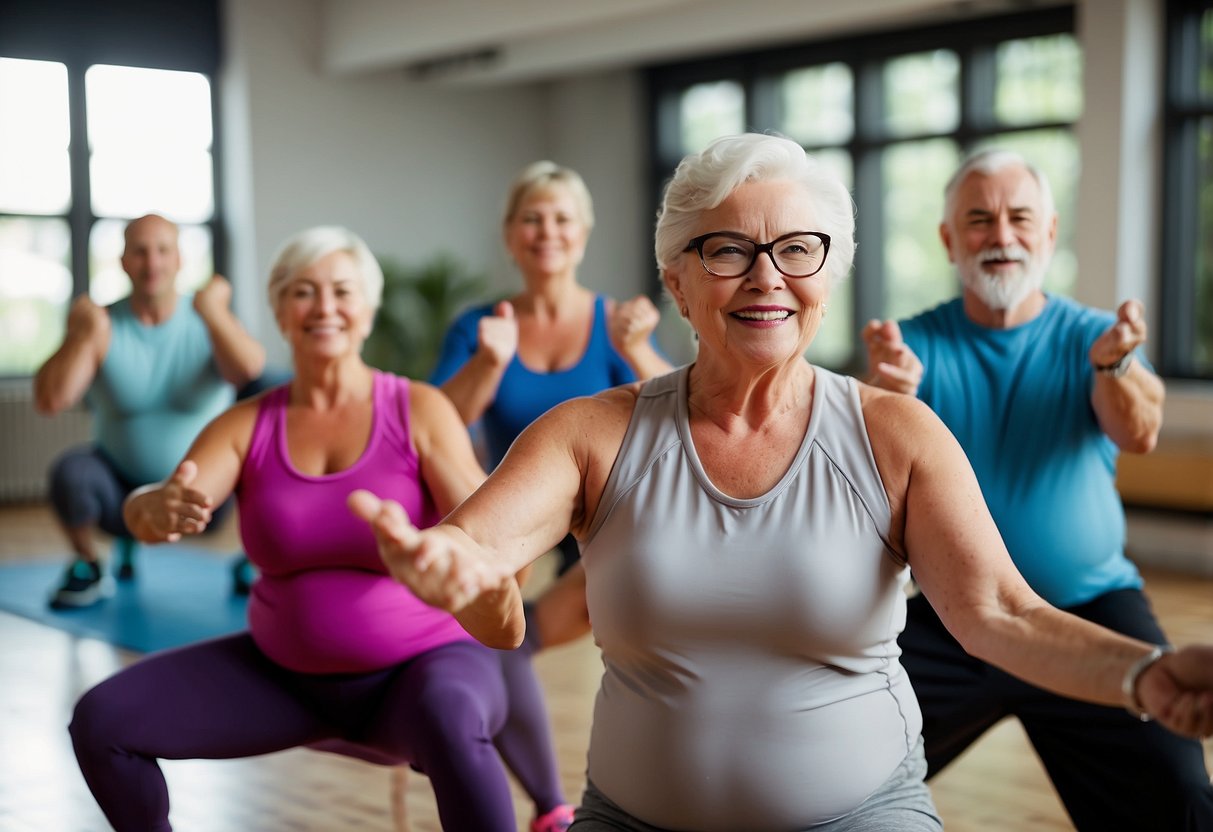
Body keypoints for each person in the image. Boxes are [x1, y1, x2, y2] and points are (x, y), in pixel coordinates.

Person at [351, 133, 1213, 832]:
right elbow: (477, 548)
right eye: (726, 249)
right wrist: (450, 567)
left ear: (828, 277)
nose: (766, 276)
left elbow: (998, 613)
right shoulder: (591, 433)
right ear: (677, 282)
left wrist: (1144, 675)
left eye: (796, 249)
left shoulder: (897, 434)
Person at [67, 227, 572, 832]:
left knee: (452, 719)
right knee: (103, 722)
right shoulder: (247, 423)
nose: (325, 307)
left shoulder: (418, 411)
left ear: (366, 310)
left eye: (342, 291)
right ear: (280, 310)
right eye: (304, 292)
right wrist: (149, 508)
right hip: (283, 678)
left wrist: (454, 564)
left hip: (424, 669)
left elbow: (498, 544)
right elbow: (169, 499)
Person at [862, 149, 1213, 830]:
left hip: (1090, 612)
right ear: (945, 239)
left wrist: (1113, 365)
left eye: (1019, 218)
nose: (1000, 236)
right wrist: (886, 398)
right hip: (950, 618)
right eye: (978, 220)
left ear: (1048, 232)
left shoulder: (1092, 337)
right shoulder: (909, 347)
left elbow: (1137, 429)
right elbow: (864, 490)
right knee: (825, 774)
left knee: (1177, 796)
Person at [430, 160, 672, 577]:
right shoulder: (477, 327)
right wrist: (488, 363)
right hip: (515, 522)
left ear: (582, 235)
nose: (547, 232)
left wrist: (634, 349)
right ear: (509, 235)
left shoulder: (616, 323)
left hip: (604, 522)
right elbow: (433, 424)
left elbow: (682, 411)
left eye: (563, 219)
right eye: (532, 219)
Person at [33, 213, 265, 609]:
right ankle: (88, 564)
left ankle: (256, 561)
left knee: (263, 460)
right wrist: (82, 336)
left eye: (162, 251)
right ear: (123, 261)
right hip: (119, 489)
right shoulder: (102, 325)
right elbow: (51, 401)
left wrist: (216, 312)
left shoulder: (207, 319)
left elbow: (250, 371)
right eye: (140, 252)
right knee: (70, 472)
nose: (152, 263)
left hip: (207, 489)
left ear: (179, 260)